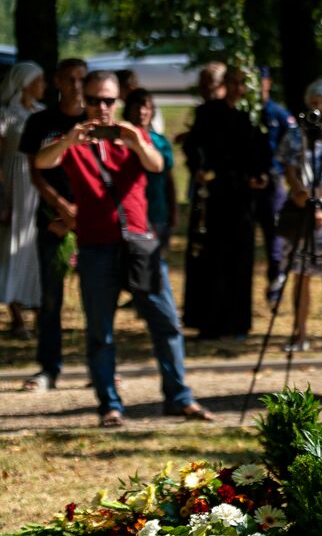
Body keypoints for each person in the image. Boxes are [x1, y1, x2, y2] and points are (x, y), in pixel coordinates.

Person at [33, 70, 214, 427]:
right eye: (94, 99)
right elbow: (41, 162)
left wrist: (136, 142)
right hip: (97, 246)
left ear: (118, 101)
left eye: (108, 100)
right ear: (83, 101)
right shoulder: (72, 141)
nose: (102, 107)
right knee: (101, 331)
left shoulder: (135, 137)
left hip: (139, 244)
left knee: (166, 324)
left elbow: (157, 165)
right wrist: (69, 142)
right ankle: (109, 406)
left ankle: (179, 398)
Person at [183, 65, 270, 340]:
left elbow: (262, 154)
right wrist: (198, 168)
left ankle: (238, 323)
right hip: (214, 194)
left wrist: (260, 175)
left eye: (243, 84)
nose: (237, 88)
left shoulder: (253, 116)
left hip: (241, 197)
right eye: (232, 82)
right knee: (211, 258)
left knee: (240, 258)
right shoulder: (208, 112)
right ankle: (209, 322)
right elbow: (194, 147)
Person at [19, 57, 87, 392]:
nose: (76, 86)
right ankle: (49, 367)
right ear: (57, 82)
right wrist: (61, 208)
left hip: (91, 221)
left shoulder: (95, 121)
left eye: (81, 79)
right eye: (70, 79)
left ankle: (99, 368)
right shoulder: (40, 122)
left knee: (97, 297)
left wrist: (81, 214)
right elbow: (36, 172)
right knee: (51, 299)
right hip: (52, 221)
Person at [276, 79, 322, 352]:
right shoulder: (297, 133)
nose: (319, 108)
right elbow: (289, 166)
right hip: (302, 208)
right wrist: (301, 193)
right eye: (314, 102)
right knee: (300, 273)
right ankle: (299, 333)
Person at [0, 61, 46, 338]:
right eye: (39, 81)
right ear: (26, 84)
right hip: (15, 185)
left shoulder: (41, 113)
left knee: (36, 248)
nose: (44, 86)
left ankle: (41, 311)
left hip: (38, 185)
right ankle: (17, 315)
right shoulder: (6, 115)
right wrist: (3, 199)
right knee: (11, 247)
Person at [121, 89, 177, 249]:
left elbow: (169, 178)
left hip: (157, 211)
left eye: (146, 107)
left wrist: (173, 210)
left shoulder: (160, 143)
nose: (141, 111)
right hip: (129, 214)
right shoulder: (117, 141)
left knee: (157, 264)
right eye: (136, 107)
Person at [258, 66, 295, 303]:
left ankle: (276, 281)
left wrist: (279, 169)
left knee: (275, 237)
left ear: (268, 82)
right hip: (248, 184)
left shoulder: (277, 113)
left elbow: (291, 140)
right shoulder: (247, 113)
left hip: (272, 182)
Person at [116, 69, 165, 135]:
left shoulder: (142, 102)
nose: (116, 94)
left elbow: (154, 132)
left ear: (128, 87)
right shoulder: (141, 100)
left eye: (117, 89)